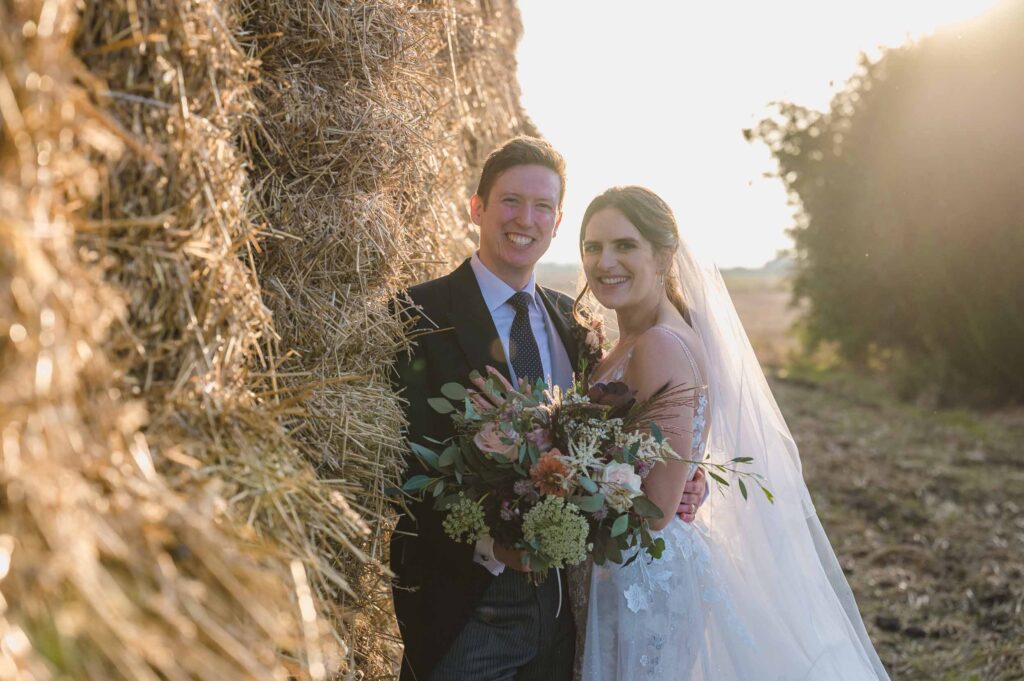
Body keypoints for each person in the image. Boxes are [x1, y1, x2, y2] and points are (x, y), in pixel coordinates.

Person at [390, 139, 708, 681]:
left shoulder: (575, 324)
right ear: (477, 208)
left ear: (556, 223)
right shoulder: (416, 315)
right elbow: (396, 467)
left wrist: (679, 476)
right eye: (511, 201)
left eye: (543, 208)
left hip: (569, 610)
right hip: (466, 605)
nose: (526, 220)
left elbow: (626, 437)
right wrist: (492, 545)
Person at [574, 186, 890, 680]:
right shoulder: (637, 337)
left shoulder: (659, 343)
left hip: (640, 574)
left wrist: (547, 477)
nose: (604, 260)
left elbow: (654, 509)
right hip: (625, 563)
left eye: (623, 245)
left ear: (663, 255)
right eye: (592, 246)